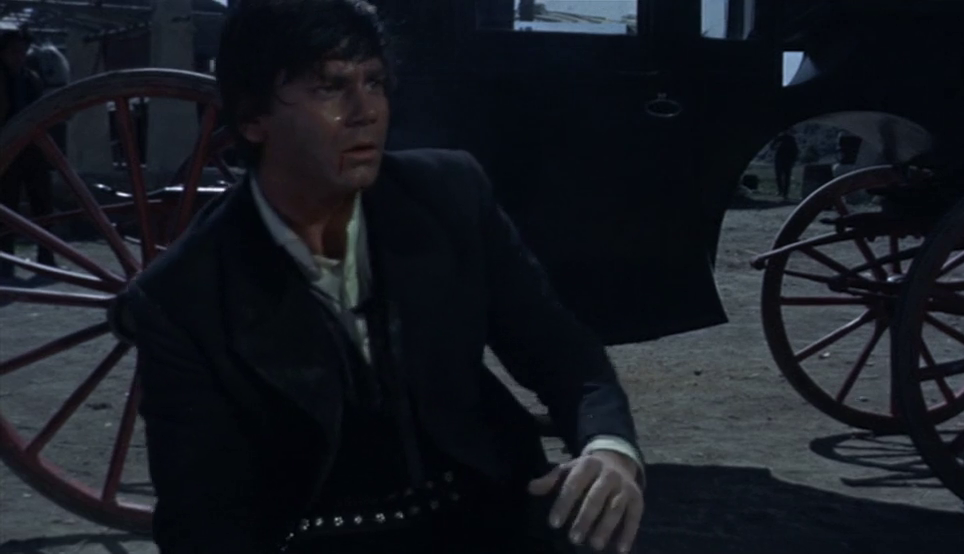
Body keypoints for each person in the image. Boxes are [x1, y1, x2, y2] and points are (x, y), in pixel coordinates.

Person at [112, 1, 645, 553]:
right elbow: (202, 522)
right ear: (252, 118)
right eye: (330, 87)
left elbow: (561, 352)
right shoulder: (182, 298)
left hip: (491, 519)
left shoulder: (449, 195)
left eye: (374, 82)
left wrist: (609, 448)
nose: (365, 111)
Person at [0, 27, 56, 279]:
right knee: (6, 208)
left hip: (33, 149)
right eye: (13, 52)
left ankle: (47, 258)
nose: (19, 57)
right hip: (7, 149)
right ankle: (5, 262)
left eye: (22, 52)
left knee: (43, 205)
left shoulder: (32, 78)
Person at [771, 131, 799, 201]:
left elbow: (795, 151)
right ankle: (782, 192)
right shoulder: (784, 138)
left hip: (785, 160)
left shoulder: (789, 139)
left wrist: (793, 159)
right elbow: (772, 146)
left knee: (784, 177)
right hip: (783, 159)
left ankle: (783, 192)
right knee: (782, 177)